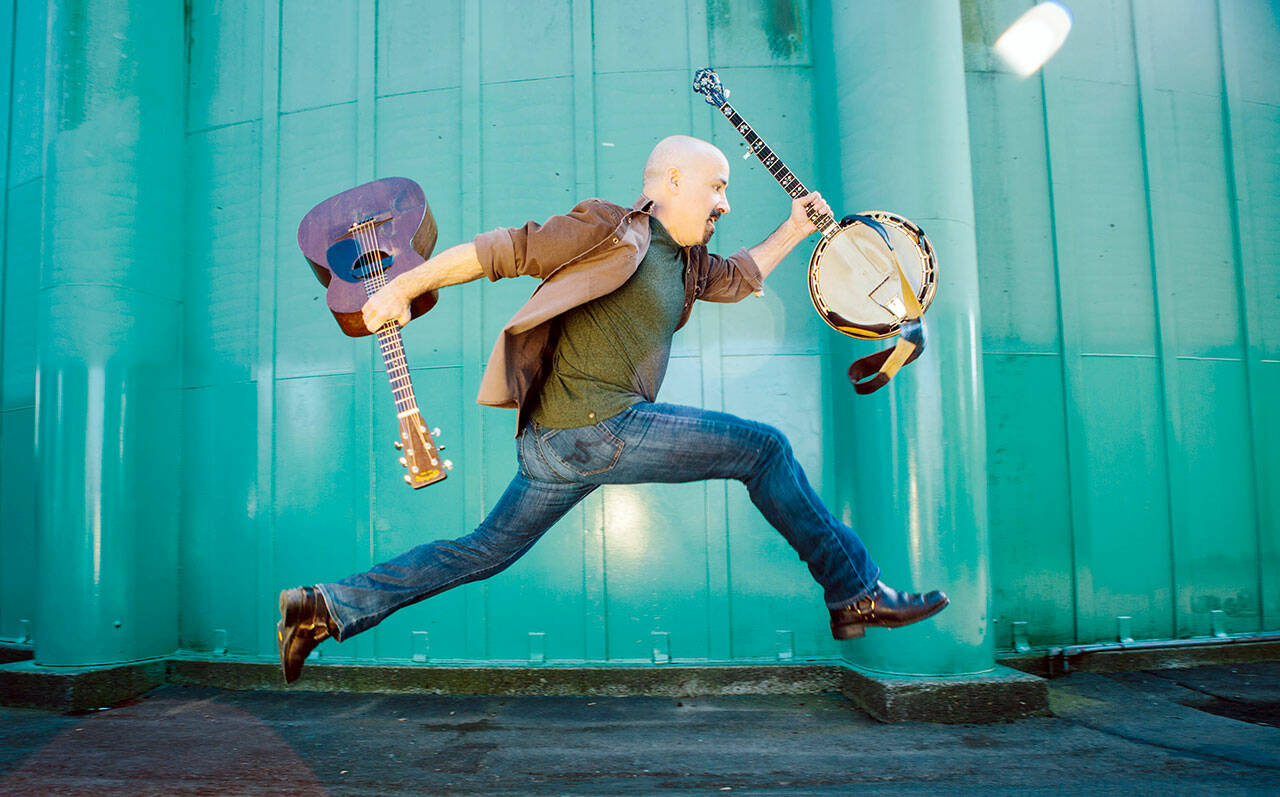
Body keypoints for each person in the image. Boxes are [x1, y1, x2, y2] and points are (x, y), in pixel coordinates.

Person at [277, 135, 948, 684]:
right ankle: (854, 588)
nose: (724, 202)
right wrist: (405, 285)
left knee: (479, 551)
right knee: (763, 448)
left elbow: (742, 276)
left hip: (557, 446)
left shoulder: (686, 264)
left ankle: (325, 605)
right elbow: (497, 251)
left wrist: (797, 228)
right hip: (594, 428)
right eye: (716, 187)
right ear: (671, 181)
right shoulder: (606, 225)